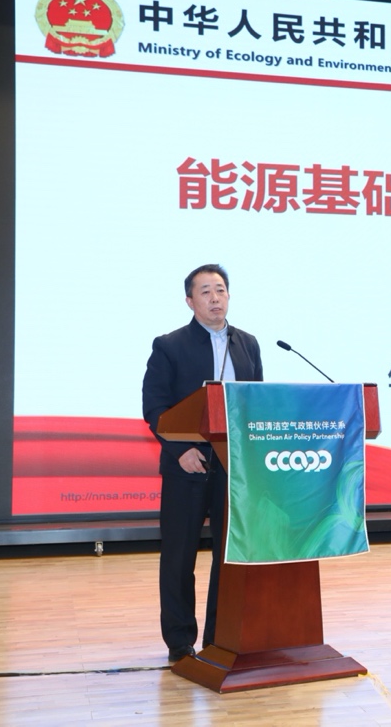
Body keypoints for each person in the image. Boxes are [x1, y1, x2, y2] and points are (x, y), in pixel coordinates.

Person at [142, 264, 263, 663]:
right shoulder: (169, 345)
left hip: (233, 467)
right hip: (187, 464)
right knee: (180, 557)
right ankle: (180, 642)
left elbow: (257, 403)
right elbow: (155, 406)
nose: (215, 298)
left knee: (228, 557)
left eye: (221, 290)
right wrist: (180, 450)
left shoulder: (248, 344)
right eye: (206, 291)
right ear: (190, 301)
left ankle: (219, 637)